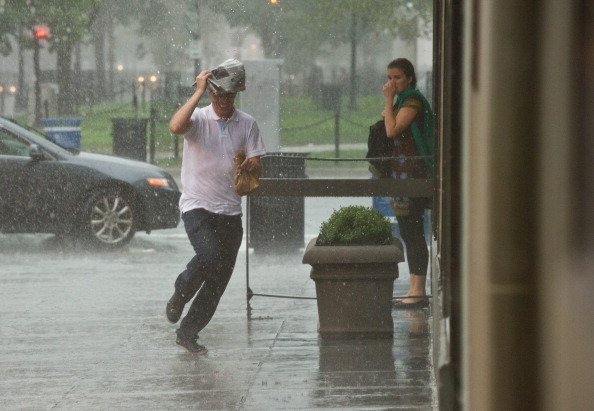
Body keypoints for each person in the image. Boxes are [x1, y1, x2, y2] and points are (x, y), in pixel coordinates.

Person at [166, 59, 266, 353]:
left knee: (219, 279)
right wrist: (197, 91)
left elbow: (258, 164)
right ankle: (180, 292)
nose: (224, 101)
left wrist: (252, 165)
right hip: (198, 206)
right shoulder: (197, 119)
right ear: (211, 95)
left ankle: (188, 333)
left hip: (230, 212)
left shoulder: (247, 124)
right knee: (208, 257)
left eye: (229, 95)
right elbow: (175, 126)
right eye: (219, 95)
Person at [381, 58, 434, 308]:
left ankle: (418, 290)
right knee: (407, 231)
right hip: (401, 173)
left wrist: (388, 102)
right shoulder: (403, 101)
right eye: (389, 77)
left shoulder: (412, 100)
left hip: (413, 173)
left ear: (409, 78)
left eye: (397, 78)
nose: (392, 83)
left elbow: (391, 129)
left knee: (413, 232)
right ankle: (414, 288)